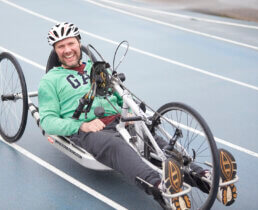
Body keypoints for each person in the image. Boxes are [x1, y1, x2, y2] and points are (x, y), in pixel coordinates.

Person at [38, 22, 237, 209]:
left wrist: (131, 111)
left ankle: (207, 178)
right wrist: (81, 126)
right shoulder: (50, 80)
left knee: (156, 144)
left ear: (79, 42)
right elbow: (47, 120)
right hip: (90, 129)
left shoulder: (96, 69)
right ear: (55, 51)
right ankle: (161, 188)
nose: (67, 50)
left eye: (71, 43)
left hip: (120, 120)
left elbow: (119, 96)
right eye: (60, 46)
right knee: (118, 148)